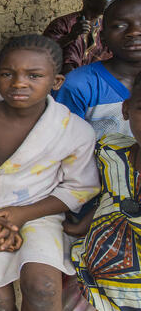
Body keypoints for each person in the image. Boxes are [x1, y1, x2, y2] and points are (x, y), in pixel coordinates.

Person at [0, 35, 100, 310]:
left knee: (43, 288)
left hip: (40, 213)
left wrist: (22, 215)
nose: (19, 83)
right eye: (8, 73)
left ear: (56, 82)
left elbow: (80, 188)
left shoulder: (74, 131)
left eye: (34, 75)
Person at [68, 72, 141, 310]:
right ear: (126, 109)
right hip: (89, 278)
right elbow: (114, 195)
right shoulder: (112, 151)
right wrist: (81, 226)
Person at [54, 0, 141, 140]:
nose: (133, 32)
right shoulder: (77, 86)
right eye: (119, 25)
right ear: (103, 37)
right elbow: (61, 146)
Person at [43, 0, 120, 74]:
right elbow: (43, 52)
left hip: (94, 81)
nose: (115, 1)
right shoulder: (62, 23)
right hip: (64, 82)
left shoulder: (106, 26)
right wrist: (70, 37)